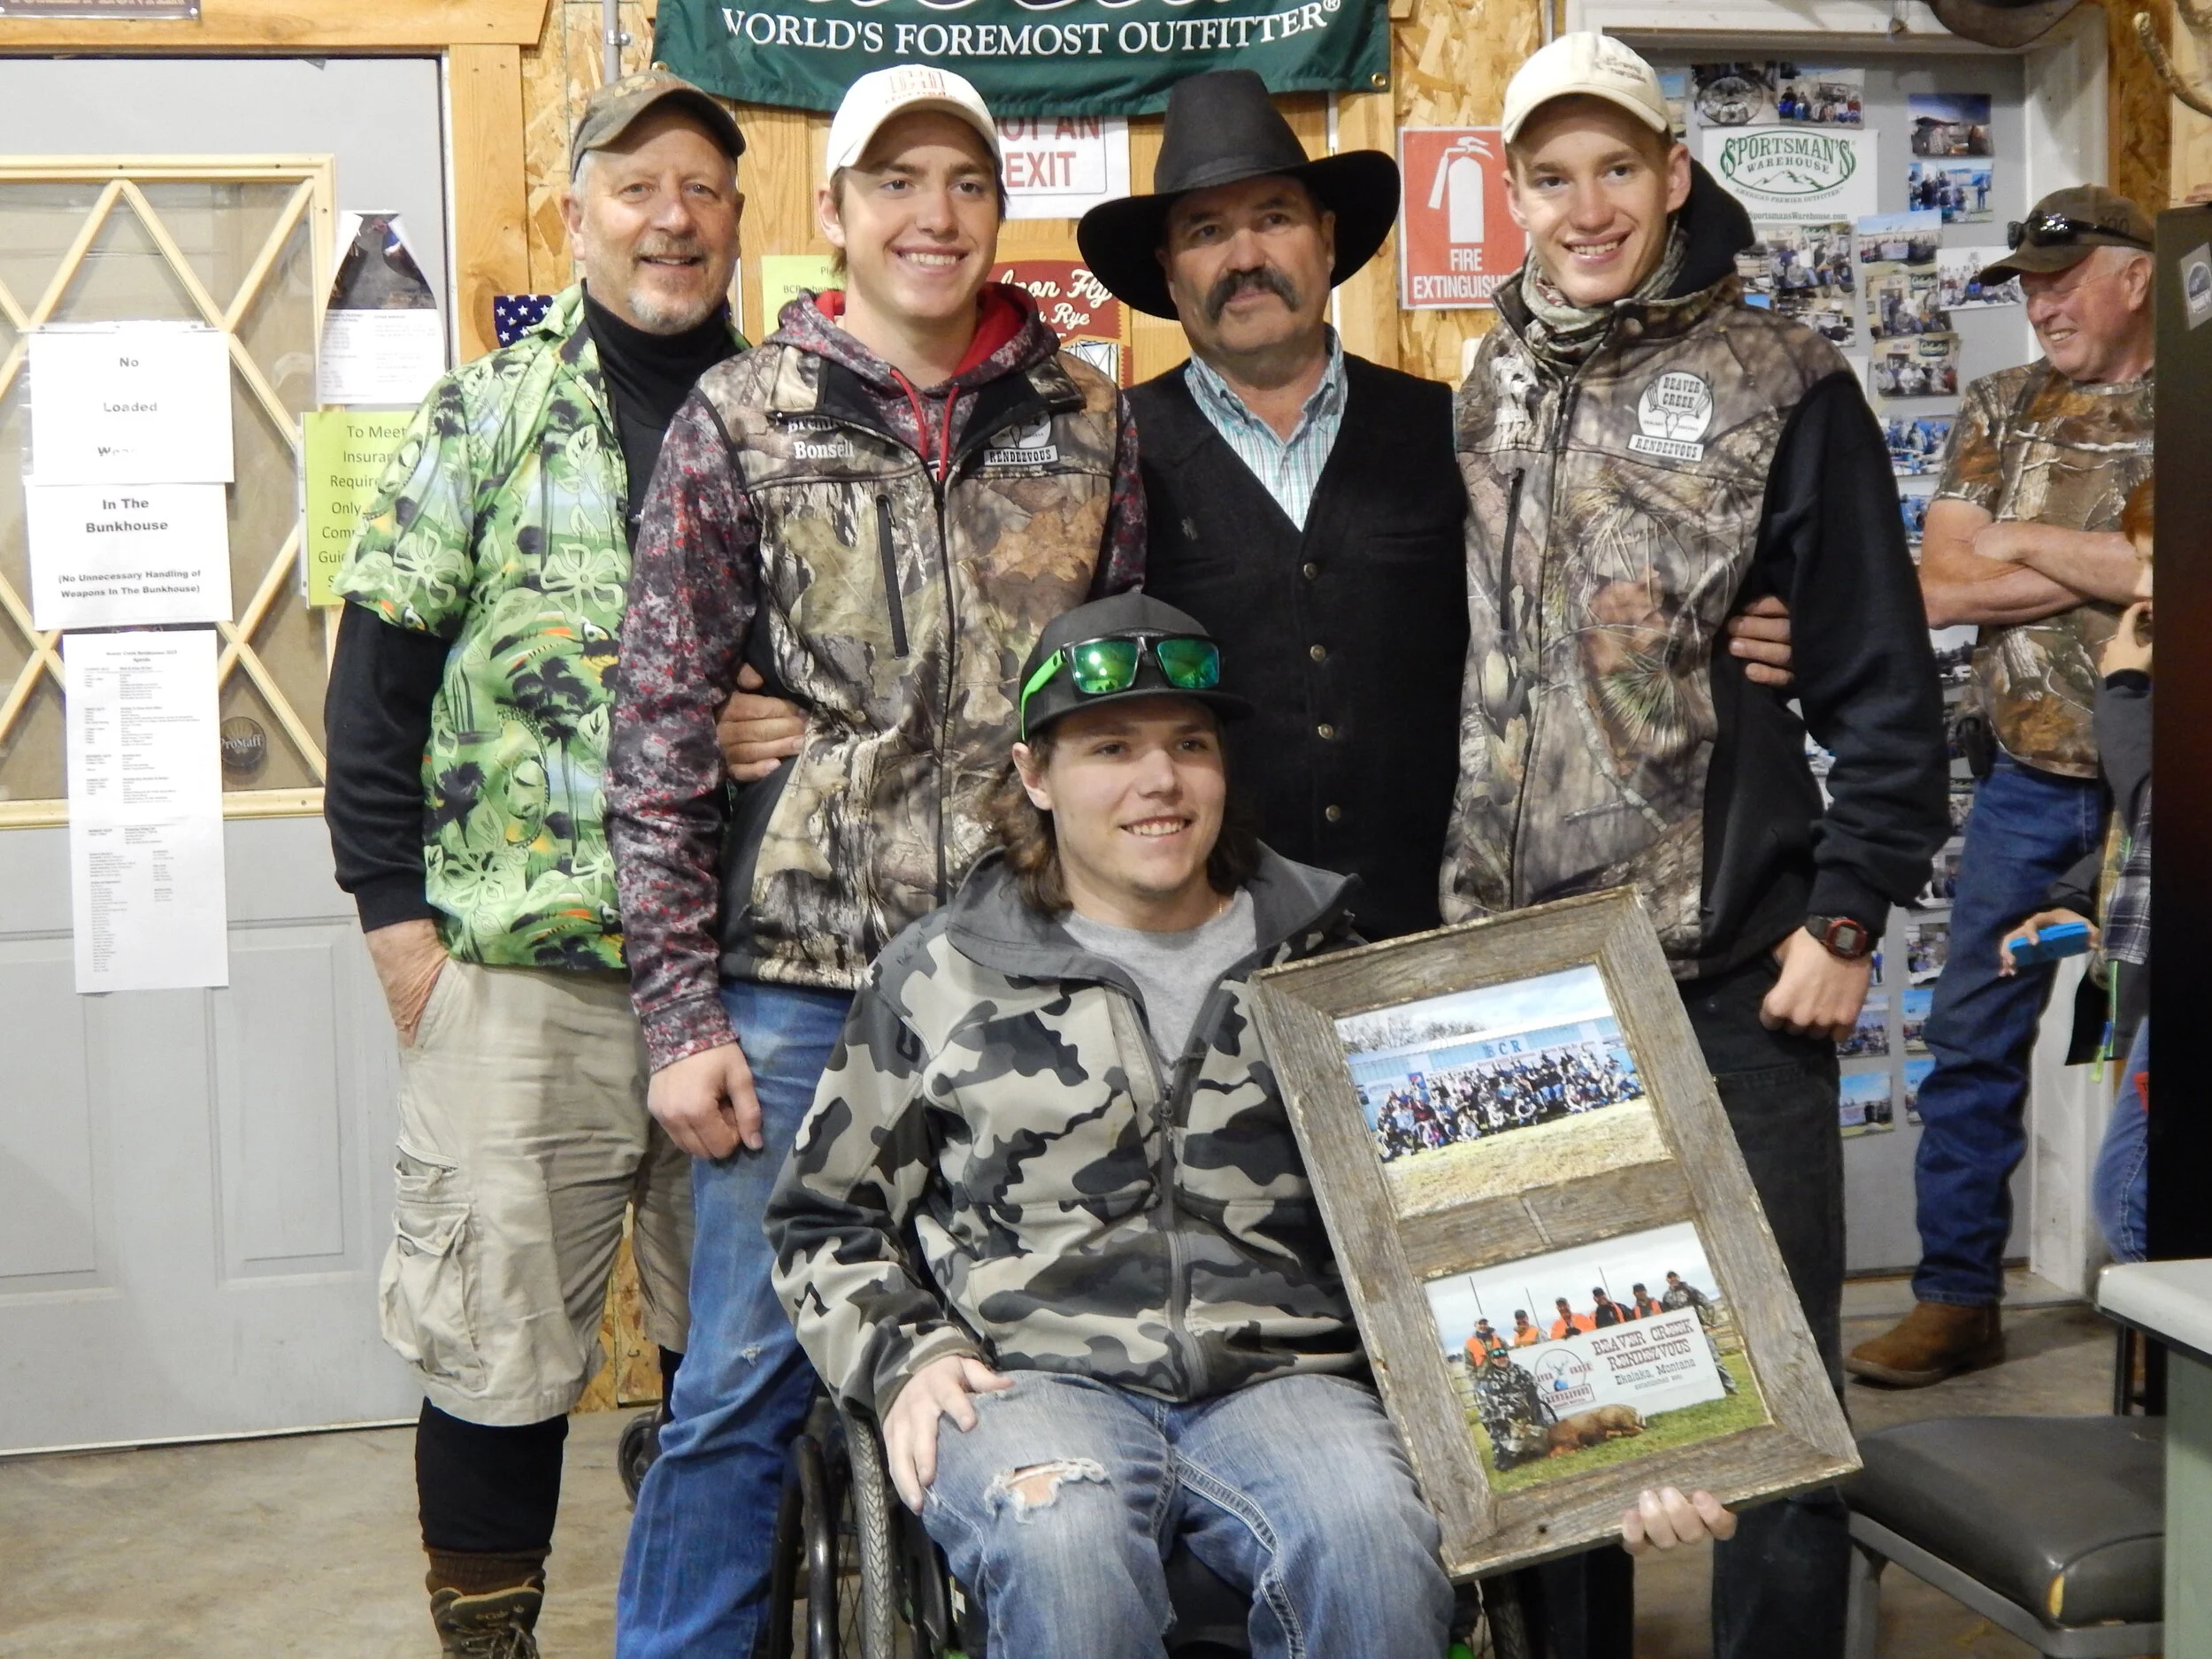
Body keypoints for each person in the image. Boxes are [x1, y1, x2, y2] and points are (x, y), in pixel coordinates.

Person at [763, 596, 1729, 1657]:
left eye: (1190, 744)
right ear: (1035, 777)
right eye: (1110, 748)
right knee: (1063, 1544)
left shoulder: (1331, 967)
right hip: (1032, 1381)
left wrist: (1622, 1433)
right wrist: (906, 1355)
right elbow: (822, 1220)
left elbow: (1487, 1222)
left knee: (1374, 1548)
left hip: (1288, 1383)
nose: (1159, 781)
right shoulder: (940, 974)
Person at [710, 68, 1796, 947]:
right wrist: (775, 717)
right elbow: (1026, 659)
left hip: (1440, 933)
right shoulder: (1105, 448)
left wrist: (1726, 627)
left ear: (1325, 238)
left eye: (1272, 218)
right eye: (1204, 231)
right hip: (1200, 948)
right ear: (1168, 273)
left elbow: (1579, 592)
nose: (1244, 257)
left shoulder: (1458, 428)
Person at [604, 65, 1145, 1657]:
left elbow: (1119, 721)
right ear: (835, 213)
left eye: (964, 183)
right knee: (738, 1390)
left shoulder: (1089, 419)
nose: (933, 215)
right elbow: (658, 731)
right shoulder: (739, 418)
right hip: (800, 992)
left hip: (1027, 980)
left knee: (1031, 1365)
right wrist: (680, 1015)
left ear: (999, 211)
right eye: (894, 183)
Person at [1442, 34, 1949, 1659]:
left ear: (1674, 174)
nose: (1586, 206)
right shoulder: (1487, 381)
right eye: (1552, 175)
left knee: (1772, 1409)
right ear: (1514, 193)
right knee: (1555, 1411)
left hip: (1726, 972)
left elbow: (1882, 679)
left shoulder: (1784, 377)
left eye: (1617, 167)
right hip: (1525, 991)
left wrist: (1847, 913)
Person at [322, 71, 744, 1655]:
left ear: (737, 222)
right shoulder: (480, 417)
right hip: (519, 982)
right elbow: (375, 689)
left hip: (746, 980)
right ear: (578, 215)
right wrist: (400, 937)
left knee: (740, 1359)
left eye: (701, 188)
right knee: (496, 1358)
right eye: (636, 186)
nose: (670, 218)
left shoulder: (786, 414)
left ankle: (716, 1623)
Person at [1849, 187, 2154, 1388]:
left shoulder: (2195, 396)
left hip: (2165, 784)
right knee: (1972, 1038)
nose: (2040, 304)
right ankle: (1956, 1298)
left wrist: (2020, 541)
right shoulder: (1999, 403)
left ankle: (2172, 1297)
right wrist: (2116, 563)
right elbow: (1938, 586)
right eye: (2028, 285)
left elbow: (2183, 569)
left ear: (2136, 275)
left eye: (2062, 280)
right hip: (2028, 779)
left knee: (2171, 1043)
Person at [2000, 478, 2154, 1263]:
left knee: (2131, 1204)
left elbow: (2158, 800)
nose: (2144, 588)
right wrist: (2074, 901)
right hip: (2147, 984)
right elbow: (2142, 838)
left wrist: (2124, 689)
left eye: (2160, 565)